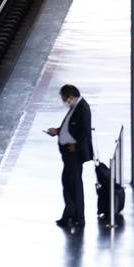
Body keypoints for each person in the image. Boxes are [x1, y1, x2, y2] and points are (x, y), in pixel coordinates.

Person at [45, 83, 94, 231]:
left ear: (71, 97)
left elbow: (84, 133)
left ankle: (78, 218)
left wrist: (75, 147)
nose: (64, 102)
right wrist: (58, 131)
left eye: (64, 99)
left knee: (74, 185)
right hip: (69, 153)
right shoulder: (76, 107)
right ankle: (69, 215)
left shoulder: (83, 109)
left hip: (74, 154)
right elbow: (71, 127)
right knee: (68, 183)